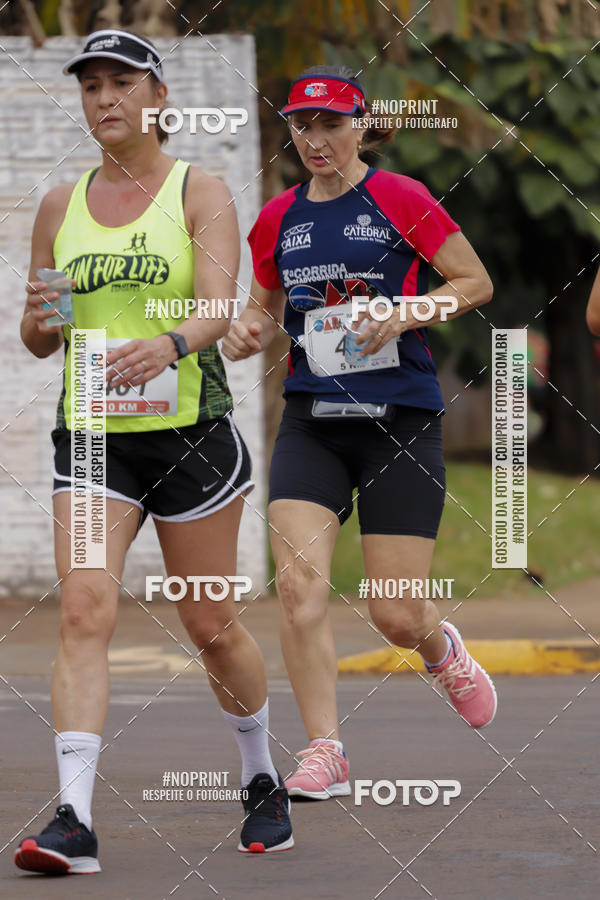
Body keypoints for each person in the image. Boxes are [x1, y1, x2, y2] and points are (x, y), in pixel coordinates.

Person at [14, 30, 292, 874]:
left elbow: (218, 306)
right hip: (94, 437)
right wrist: (42, 318)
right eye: (91, 85)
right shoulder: (59, 205)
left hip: (191, 435)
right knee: (82, 610)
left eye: (122, 83)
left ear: (159, 97)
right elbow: (38, 335)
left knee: (209, 623)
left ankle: (261, 774)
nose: (105, 99)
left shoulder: (198, 191)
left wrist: (168, 344)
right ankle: (74, 819)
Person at [222, 65, 497, 800]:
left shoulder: (401, 197)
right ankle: (325, 751)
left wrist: (407, 313)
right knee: (298, 588)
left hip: (399, 421)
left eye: (332, 124)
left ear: (361, 125)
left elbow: (474, 283)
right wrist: (245, 332)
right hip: (312, 421)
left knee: (395, 612)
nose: (316, 139)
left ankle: (440, 649)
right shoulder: (278, 217)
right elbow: (261, 311)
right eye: (302, 125)